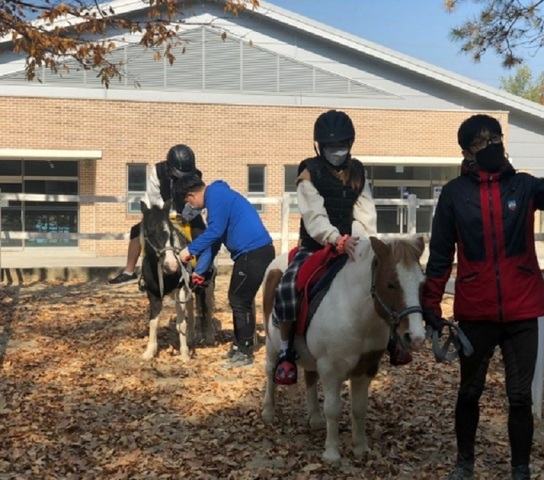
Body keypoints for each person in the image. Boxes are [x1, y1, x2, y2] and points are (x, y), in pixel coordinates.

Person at [421, 114, 544, 480]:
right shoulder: (453, 194)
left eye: (495, 137)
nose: (491, 145)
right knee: (469, 393)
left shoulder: (525, 186)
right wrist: (430, 305)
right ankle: (464, 463)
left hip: (523, 310)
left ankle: (520, 469)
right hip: (475, 312)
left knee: (520, 398)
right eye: (481, 142)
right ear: (466, 152)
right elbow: (439, 255)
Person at [272, 109, 377, 386]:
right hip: (316, 245)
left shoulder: (358, 172)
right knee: (287, 287)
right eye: (330, 146)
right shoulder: (309, 172)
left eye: (341, 145)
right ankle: (285, 352)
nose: (336, 151)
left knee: (382, 283)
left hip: (352, 244)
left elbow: (364, 211)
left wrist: (362, 242)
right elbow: (314, 215)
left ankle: (388, 343)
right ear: (320, 147)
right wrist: (334, 239)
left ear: (350, 144)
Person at [175, 174, 275, 368]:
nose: (191, 206)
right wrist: (200, 271)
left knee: (239, 300)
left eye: (188, 201)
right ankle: (239, 347)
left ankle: (245, 351)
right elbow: (215, 241)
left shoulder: (216, 196)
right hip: (248, 254)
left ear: (191, 195)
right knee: (237, 298)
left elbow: (213, 233)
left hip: (254, 253)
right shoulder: (218, 197)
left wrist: (190, 250)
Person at [108, 144, 205, 286]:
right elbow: (155, 199)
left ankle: (202, 270)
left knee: (200, 230)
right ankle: (129, 272)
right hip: (163, 213)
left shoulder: (196, 175)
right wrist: (170, 215)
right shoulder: (158, 172)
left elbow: (197, 200)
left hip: (187, 212)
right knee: (136, 230)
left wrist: (185, 215)